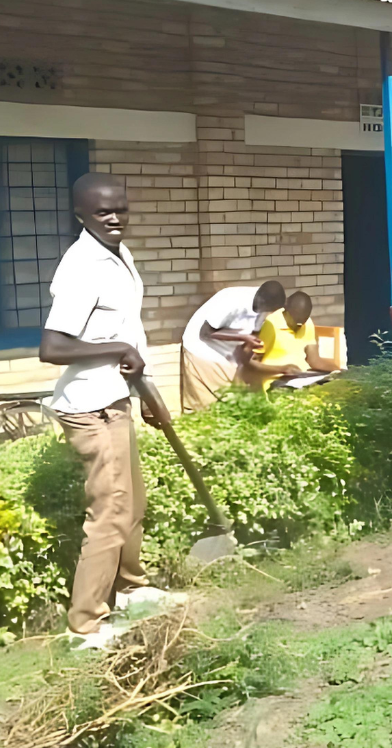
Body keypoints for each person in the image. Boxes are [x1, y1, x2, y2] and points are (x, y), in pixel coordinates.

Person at [39, 173, 175, 650]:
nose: (115, 217)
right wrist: (116, 349)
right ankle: (85, 626)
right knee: (110, 511)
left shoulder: (118, 254)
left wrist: (148, 394)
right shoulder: (83, 266)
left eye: (121, 208)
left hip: (117, 398)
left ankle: (131, 589)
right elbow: (53, 347)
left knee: (131, 502)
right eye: (103, 211)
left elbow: (129, 335)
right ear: (81, 214)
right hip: (91, 407)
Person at [179, 280, 286, 410]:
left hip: (229, 352)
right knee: (208, 403)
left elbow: (255, 332)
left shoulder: (265, 304)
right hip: (203, 348)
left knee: (234, 396)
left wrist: (251, 352)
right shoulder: (231, 300)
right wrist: (244, 338)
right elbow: (205, 332)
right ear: (261, 300)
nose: (268, 313)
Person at [246, 291, 337, 388]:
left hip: (302, 376)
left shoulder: (307, 323)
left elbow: (314, 360)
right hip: (276, 378)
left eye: (302, 322)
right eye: (296, 322)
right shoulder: (270, 324)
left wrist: (339, 370)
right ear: (286, 310)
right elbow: (250, 362)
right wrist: (282, 369)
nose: (299, 326)